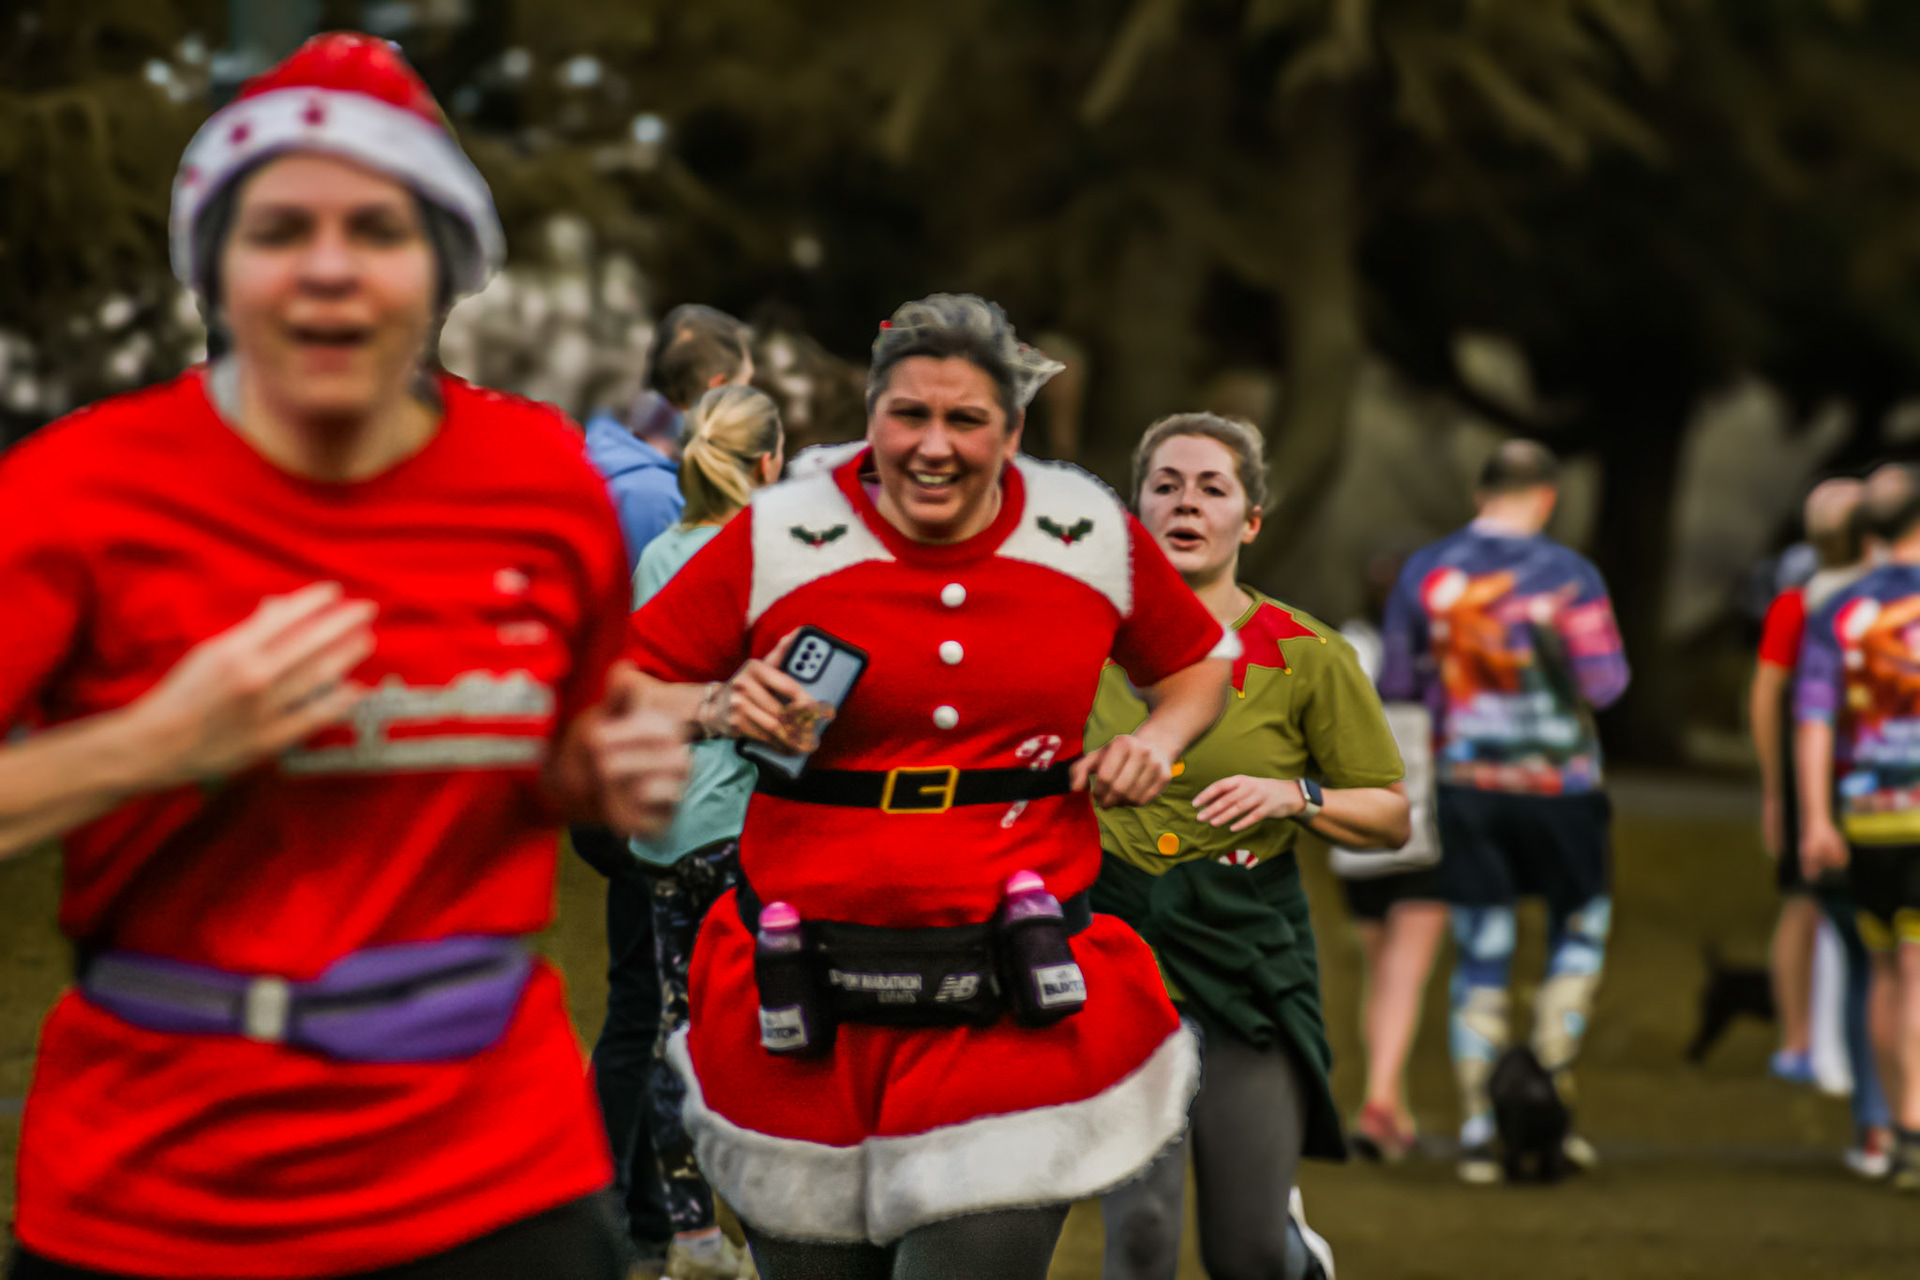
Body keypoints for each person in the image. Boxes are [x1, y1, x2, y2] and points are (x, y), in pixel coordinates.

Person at [0, 33, 690, 1280]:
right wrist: (158, 741)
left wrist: (606, 773)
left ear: (444, 265)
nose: (328, 268)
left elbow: (565, 759)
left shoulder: (543, 482)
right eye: (278, 229)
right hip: (162, 1173)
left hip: (494, 1171)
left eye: (377, 227)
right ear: (214, 264)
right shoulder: (76, 490)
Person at [624, 293, 1238, 1280]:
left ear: (1014, 427)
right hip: (804, 1002)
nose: (933, 445)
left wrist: (1158, 737)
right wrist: (718, 702)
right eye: (909, 414)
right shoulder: (781, 533)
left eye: (967, 419)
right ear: (871, 412)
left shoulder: (1084, 528)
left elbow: (1196, 661)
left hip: (1009, 995)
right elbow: (625, 683)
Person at [1089, 415, 1409, 1280]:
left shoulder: (1309, 655)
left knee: (1247, 1254)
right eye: (1166, 485)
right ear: (1135, 509)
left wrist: (1297, 796)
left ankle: (1295, 1256)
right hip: (1115, 951)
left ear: (1250, 520)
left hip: (1247, 947)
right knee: (1144, 1233)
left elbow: (1390, 815)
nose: (1186, 502)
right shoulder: (1075, 641)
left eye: (1211, 487)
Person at [1379, 439, 1630, 1184]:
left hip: (1467, 784)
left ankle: (1484, 1126)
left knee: (1482, 948)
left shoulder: (1426, 572)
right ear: (1546, 496)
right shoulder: (1571, 576)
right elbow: (1608, 684)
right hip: (1564, 792)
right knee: (1578, 933)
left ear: (1480, 490)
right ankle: (1547, 1098)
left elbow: (1397, 679)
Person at [578, 301, 754, 1270]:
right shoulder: (657, 505)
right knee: (652, 1008)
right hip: (673, 798)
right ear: (722, 391)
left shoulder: (606, 476)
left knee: (648, 999)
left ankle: (647, 1208)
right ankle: (621, 1209)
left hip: (635, 788)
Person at [631, 385, 785, 1280]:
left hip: (664, 837)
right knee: (774, 1034)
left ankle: (693, 1237)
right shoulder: (775, 562)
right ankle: (776, 1235)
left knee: (676, 1034)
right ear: (768, 464)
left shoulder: (658, 555)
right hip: (747, 832)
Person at [1759, 477, 1894, 1177]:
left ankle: (1877, 1122)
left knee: (1872, 965)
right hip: (1871, 811)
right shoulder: (1831, 607)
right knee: (1887, 963)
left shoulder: (1823, 608)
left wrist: (1794, 803)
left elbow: (1796, 713)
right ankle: (1889, 1118)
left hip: (1850, 807)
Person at [1797, 465, 1920, 1191]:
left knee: (1881, 967)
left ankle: (1890, 1122)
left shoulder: (1838, 610)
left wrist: (1817, 817)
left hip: (1866, 815)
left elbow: (1813, 721)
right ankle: (1912, 1125)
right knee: (1916, 969)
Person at [1337, 548, 1448, 1162]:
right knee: (1403, 976)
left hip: (1353, 842)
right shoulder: (1442, 654)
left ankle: (1391, 1103)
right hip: (1421, 829)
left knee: (1381, 976)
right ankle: (1380, 1102)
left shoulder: (1346, 647)